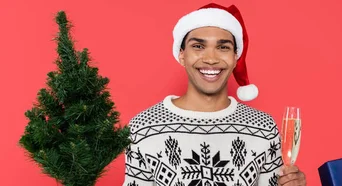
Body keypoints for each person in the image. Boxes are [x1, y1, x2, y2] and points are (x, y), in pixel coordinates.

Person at [122, 3, 306, 186]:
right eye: (198, 46)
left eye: (223, 47)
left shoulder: (264, 128)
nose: (211, 58)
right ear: (182, 55)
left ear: (236, 57)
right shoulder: (142, 128)